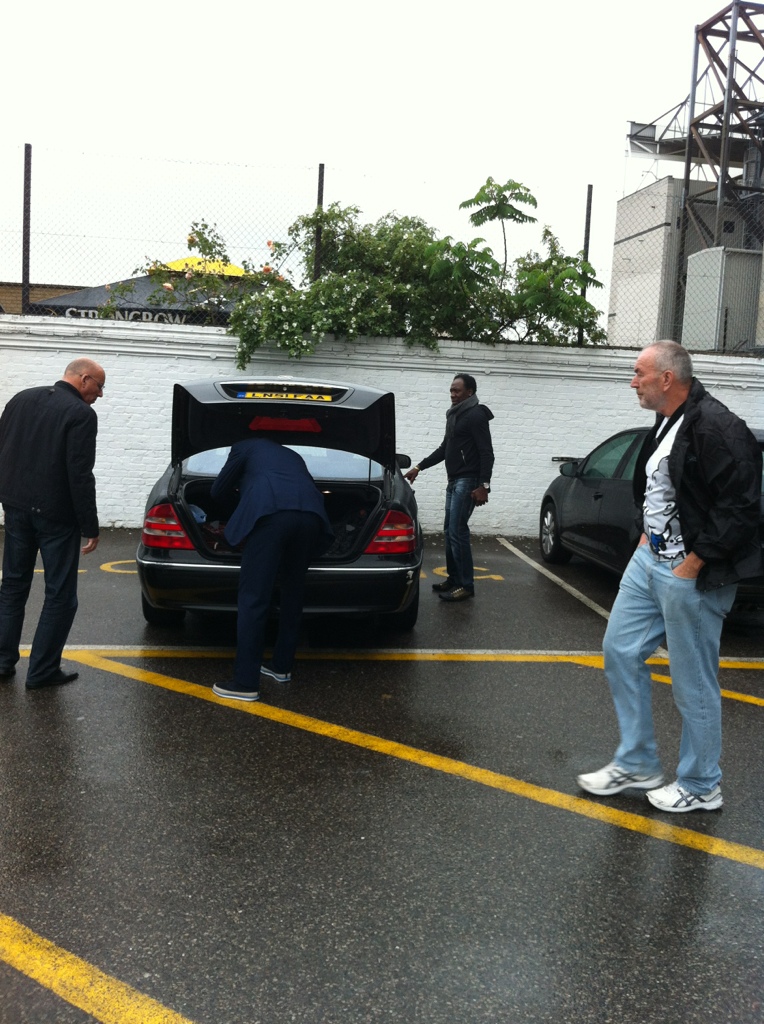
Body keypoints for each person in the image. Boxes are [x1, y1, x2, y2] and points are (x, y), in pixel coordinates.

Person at [577, 341, 762, 812]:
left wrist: (693, 563)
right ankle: (638, 761)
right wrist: (646, 538)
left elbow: (741, 507)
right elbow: (661, 487)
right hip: (649, 560)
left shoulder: (720, 428)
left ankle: (701, 785)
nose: (632, 381)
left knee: (693, 682)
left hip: (691, 573)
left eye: (639, 372)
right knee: (619, 650)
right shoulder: (668, 420)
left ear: (667, 378)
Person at [0, 358, 105, 689]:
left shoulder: (21, 398)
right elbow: (79, 474)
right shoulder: (80, 415)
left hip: (15, 508)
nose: (100, 394)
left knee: (13, 587)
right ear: (84, 379)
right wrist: (90, 525)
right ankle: (43, 671)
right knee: (60, 595)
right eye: (99, 386)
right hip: (56, 517)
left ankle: (2, 662)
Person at [210, 438, 334, 702]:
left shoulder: (242, 447)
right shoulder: (291, 453)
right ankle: (281, 666)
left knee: (254, 597)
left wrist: (237, 513)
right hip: (312, 516)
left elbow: (218, 490)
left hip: (270, 516)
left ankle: (245, 683)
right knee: (292, 590)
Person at [405, 372, 494, 602]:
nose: (452, 394)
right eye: (451, 390)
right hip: (454, 480)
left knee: (457, 531)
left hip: (468, 481)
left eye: (457, 390)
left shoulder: (476, 414)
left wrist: (484, 485)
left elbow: (486, 452)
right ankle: (454, 579)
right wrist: (419, 467)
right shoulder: (455, 415)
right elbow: (445, 448)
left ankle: (466, 585)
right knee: (450, 531)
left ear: (470, 392)